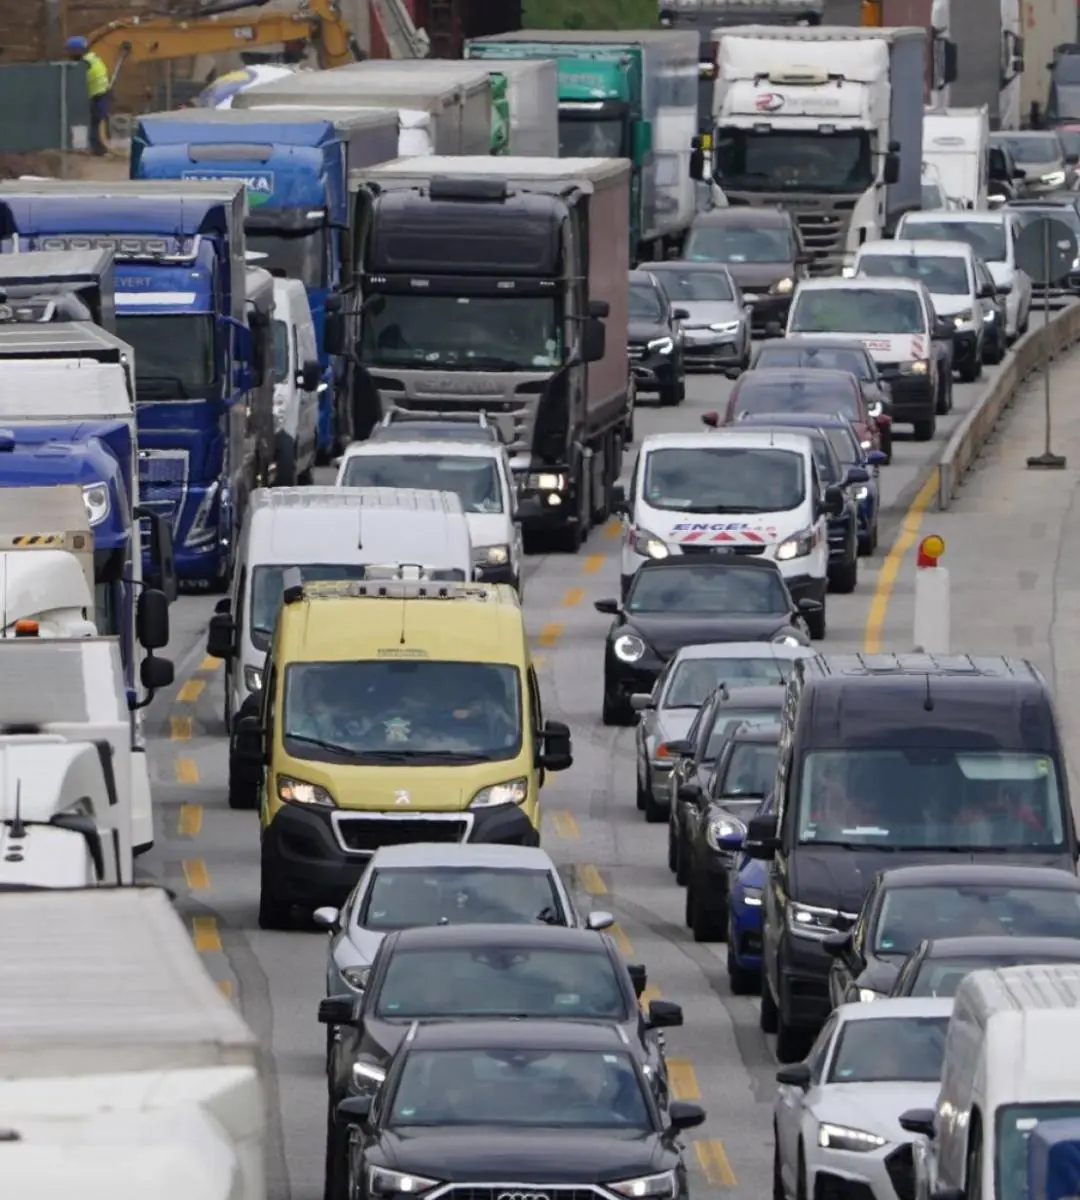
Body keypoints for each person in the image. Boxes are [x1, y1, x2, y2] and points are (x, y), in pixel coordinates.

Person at [65, 36, 111, 157]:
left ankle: (98, 149)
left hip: (97, 95)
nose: (69, 54)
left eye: (71, 51)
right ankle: (99, 148)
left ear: (77, 50)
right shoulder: (92, 58)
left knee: (95, 122)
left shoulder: (84, 63)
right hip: (101, 93)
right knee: (97, 121)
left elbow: (76, 77)